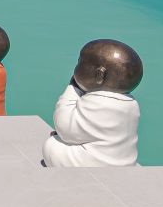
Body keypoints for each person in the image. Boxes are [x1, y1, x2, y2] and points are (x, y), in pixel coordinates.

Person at [42, 39, 142, 167]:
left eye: (79, 62)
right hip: (125, 163)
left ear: (99, 75)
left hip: (95, 164)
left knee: (51, 146)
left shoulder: (98, 102)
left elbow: (64, 128)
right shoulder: (132, 105)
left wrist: (73, 88)